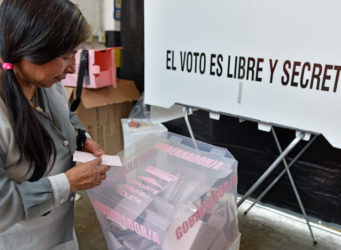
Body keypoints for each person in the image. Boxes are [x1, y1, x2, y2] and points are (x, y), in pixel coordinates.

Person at [0, 0, 110, 249]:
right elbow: (3, 206)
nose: (71, 68)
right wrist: (69, 182)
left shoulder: (47, 83)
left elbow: (67, 117)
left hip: (59, 232)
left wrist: (82, 139)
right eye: (65, 57)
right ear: (31, 50)